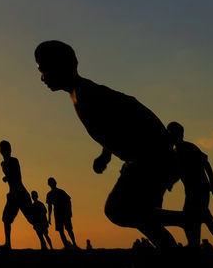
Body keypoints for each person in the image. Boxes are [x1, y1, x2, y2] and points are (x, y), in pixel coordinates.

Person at [34, 40, 183, 247]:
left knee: (118, 211)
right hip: (151, 154)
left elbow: (127, 113)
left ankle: (187, 219)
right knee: (146, 219)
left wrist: (146, 152)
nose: (42, 77)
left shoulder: (86, 95)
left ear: (58, 66)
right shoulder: (82, 94)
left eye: (43, 69)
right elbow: (115, 123)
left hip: (151, 155)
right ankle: (178, 257)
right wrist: (106, 154)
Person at [166, 122, 213, 248]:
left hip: (200, 188)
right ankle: (212, 244)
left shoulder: (188, 148)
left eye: (171, 132)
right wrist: (171, 182)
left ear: (177, 134)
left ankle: (198, 244)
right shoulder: (176, 152)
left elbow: (205, 163)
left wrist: (212, 182)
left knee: (196, 216)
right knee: (201, 217)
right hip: (192, 189)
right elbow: (180, 171)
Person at [0, 140, 32, 249]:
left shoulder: (14, 161)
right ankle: (8, 244)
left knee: (31, 218)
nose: (5, 151)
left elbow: (17, 175)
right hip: (13, 194)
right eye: (3, 149)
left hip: (20, 193)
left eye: (7, 149)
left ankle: (44, 241)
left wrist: (7, 177)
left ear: (9, 150)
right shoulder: (3, 164)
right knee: (6, 219)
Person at [45, 177, 77, 248]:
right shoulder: (50, 194)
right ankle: (67, 245)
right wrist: (49, 217)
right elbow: (50, 206)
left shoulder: (60, 192)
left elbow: (69, 201)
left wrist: (69, 212)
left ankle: (74, 244)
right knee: (62, 231)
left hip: (64, 213)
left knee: (68, 229)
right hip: (58, 213)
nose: (52, 184)